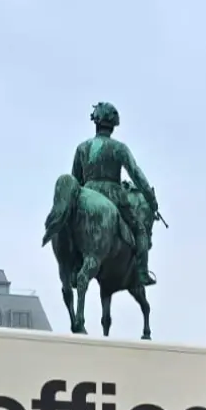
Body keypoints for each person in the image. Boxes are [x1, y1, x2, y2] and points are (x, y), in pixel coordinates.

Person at [73, 102, 159, 285]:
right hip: (113, 195)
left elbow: (75, 179)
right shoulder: (119, 148)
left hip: (86, 194)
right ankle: (142, 272)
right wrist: (151, 200)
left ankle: (74, 267)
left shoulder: (82, 148)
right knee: (140, 230)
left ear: (96, 122)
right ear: (113, 125)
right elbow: (136, 174)